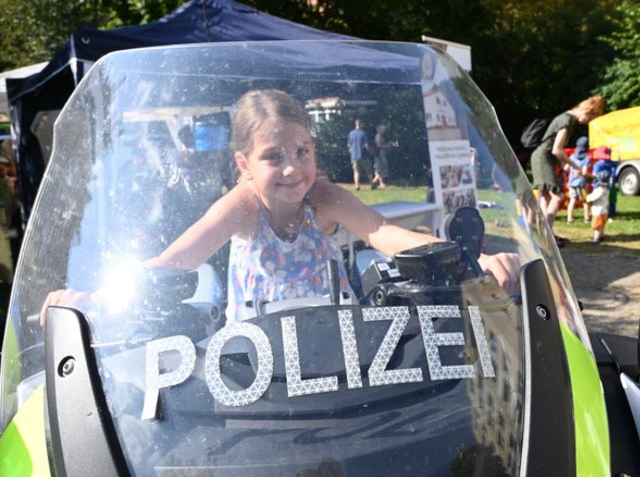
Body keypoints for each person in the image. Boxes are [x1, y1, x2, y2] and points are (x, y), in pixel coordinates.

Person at [41, 89, 520, 324]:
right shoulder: (241, 207)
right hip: (260, 361)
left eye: (302, 152)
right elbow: (174, 262)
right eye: (273, 157)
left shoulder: (325, 197)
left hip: (342, 351)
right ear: (243, 163)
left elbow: (386, 235)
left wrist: (470, 258)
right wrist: (96, 300)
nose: (292, 169)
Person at [529, 96, 605, 246]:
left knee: (547, 197)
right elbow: (557, 149)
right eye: (591, 117)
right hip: (543, 158)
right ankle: (547, 236)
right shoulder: (567, 120)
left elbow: (553, 148)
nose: (588, 121)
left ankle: (543, 232)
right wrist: (574, 166)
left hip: (542, 157)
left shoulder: (564, 117)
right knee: (557, 196)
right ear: (587, 111)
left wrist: (562, 167)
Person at [585, 146, 618, 244]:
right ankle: (601, 236)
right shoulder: (606, 189)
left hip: (598, 211)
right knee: (602, 225)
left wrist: (587, 197)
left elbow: (593, 197)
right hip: (604, 210)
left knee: (597, 226)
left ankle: (596, 238)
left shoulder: (599, 189)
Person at [565, 137, 591, 224]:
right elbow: (584, 172)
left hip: (572, 184)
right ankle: (586, 218)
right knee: (584, 201)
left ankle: (569, 218)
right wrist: (589, 176)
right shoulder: (586, 158)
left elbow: (566, 168)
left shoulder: (572, 157)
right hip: (582, 184)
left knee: (572, 200)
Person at [347, 119, 373, 190]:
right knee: (369, 170)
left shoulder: (351, 134)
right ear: (361, 124)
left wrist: (351, 152)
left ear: (355, 124)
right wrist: (370, 152)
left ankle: (357, 186)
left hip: (354, 156)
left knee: (356, 171)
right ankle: (372, 184)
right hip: (363, 154)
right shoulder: (363, 133)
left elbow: (349, 145)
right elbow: (366, 145)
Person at [372, 124, 394, 189]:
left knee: (380, 169)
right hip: (379, 155)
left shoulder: (381, 136)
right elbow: (379, 145)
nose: (384, 131)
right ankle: (374, 182)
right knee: (380, 169)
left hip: (381, 154)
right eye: (383, 129)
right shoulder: (378, 136)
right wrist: (388, 146)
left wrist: (388, 143)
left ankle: (379, 183)